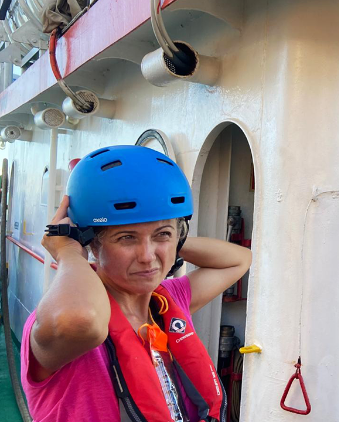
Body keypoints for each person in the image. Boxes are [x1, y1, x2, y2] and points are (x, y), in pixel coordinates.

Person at [20, 145, 253, 421]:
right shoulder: (63, 321)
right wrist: (69, 252)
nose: (147, 257)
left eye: (161, 235)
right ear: (91, 241)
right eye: (126, 238)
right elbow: (83, 321)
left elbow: (239, 259)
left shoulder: (168, 298)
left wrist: (171, 241)